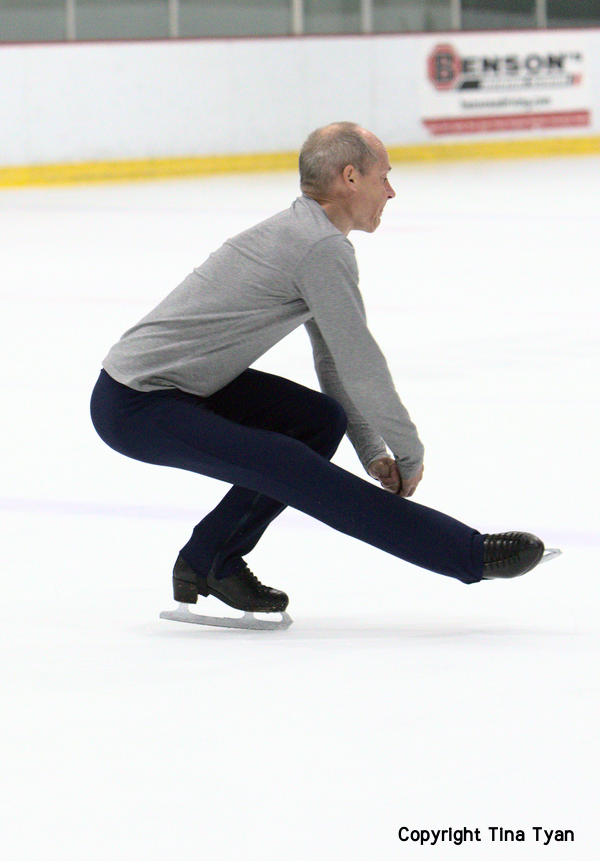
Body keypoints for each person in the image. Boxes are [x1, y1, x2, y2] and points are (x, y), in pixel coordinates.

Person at [90, 121, 545, 619]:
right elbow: (362, 366)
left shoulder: (306, 234)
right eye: (384, 177)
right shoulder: (318, 247)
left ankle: (210, 560)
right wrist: (409, 453)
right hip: (136, 402)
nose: (391, 191)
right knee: (290, 465)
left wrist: (372, 451)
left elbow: (334, 359)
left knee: (318, 420)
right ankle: (468, 553)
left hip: (182, 387)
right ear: (350, 177)